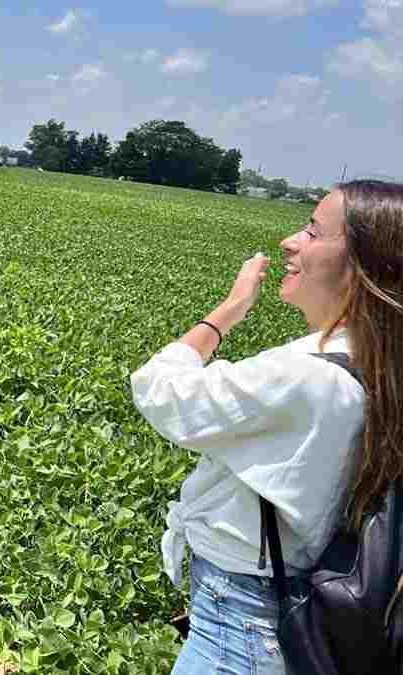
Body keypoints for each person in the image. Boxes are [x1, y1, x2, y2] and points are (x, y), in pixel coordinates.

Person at [130, 180, 403, 675]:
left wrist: (227, 312)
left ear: (363, 265)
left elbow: (159, 390)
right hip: (284, 614)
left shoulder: (308, 377)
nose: (290, 241)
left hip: (239, 627)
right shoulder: (381, 366)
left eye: (314, 231)